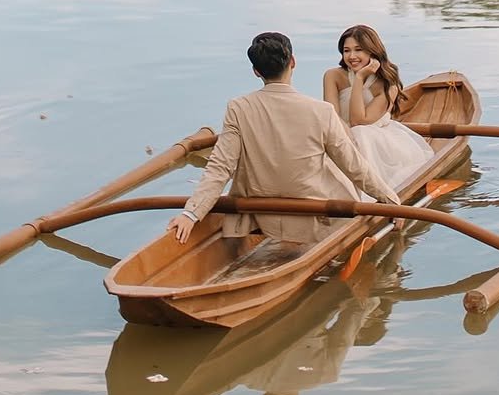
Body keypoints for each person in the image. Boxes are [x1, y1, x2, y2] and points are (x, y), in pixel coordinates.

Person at [167, 31, 400, 246]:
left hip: (259, 213)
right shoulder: (320, 111)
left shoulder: (238, 107)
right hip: (313, 214)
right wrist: (390, 200)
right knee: (340, 176)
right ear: (293, 63)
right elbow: (353, 165)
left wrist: (191, 213)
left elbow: (220, 167)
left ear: (256, 71)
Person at [323, 24, 434, 187]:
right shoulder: (333, 76)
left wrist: (360, 78)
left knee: (360, 133)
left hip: (373, 138)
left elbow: (358, 120)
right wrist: (341, 140)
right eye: (346, 50)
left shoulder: (388, 84)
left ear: (372, 51)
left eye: (358, 49)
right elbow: (330, 115)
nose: (352, 56)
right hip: (340, 133)